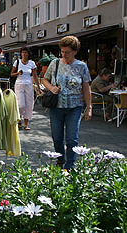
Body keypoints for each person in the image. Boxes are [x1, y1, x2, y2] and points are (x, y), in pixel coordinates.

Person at [42, 35, 92, 170]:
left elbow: (86, 87)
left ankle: (70, 165)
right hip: (56, 107)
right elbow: (44, 79)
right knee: (57, 138)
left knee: (72, 138)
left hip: (74, 107)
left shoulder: (82, 66)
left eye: (67, 52)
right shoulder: (55, 63)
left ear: (75, 51)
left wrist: (89, 107)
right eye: (62, 51)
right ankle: (60, 159)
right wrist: (51, 87)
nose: (64, 54)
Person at [10, 47, 41, 130]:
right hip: (19, 85)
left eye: (25, 52)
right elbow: (11, 74)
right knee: (21, 105)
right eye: (23, 52)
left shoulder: (32, 63)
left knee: (29, 104)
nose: (24, 54)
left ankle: (26, 124)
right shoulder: (17, 62)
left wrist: (38, 87)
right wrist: (18, 73)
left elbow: (35, 76)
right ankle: (19, 119)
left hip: (29, 85)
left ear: (28, 54)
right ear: (21, 54)